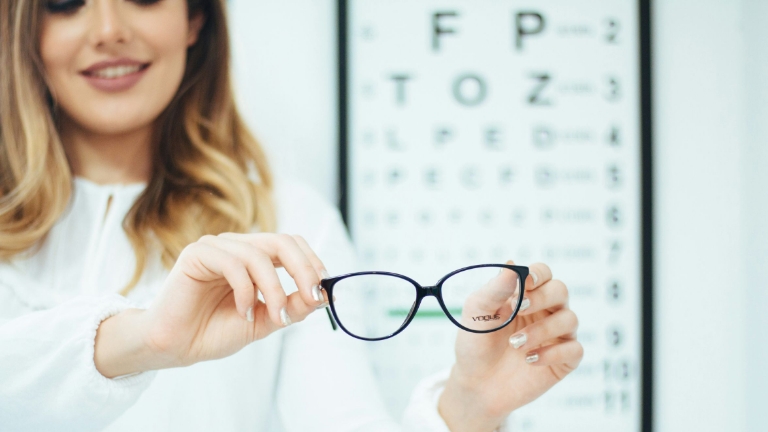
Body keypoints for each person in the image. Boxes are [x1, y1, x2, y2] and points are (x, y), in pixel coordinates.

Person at [0, 0, 583, 430]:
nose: (109, 31)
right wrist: (147, 338)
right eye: (64, 3)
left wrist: (468, 408)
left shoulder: (289, 224)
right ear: (23, 29)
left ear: (195, 19)